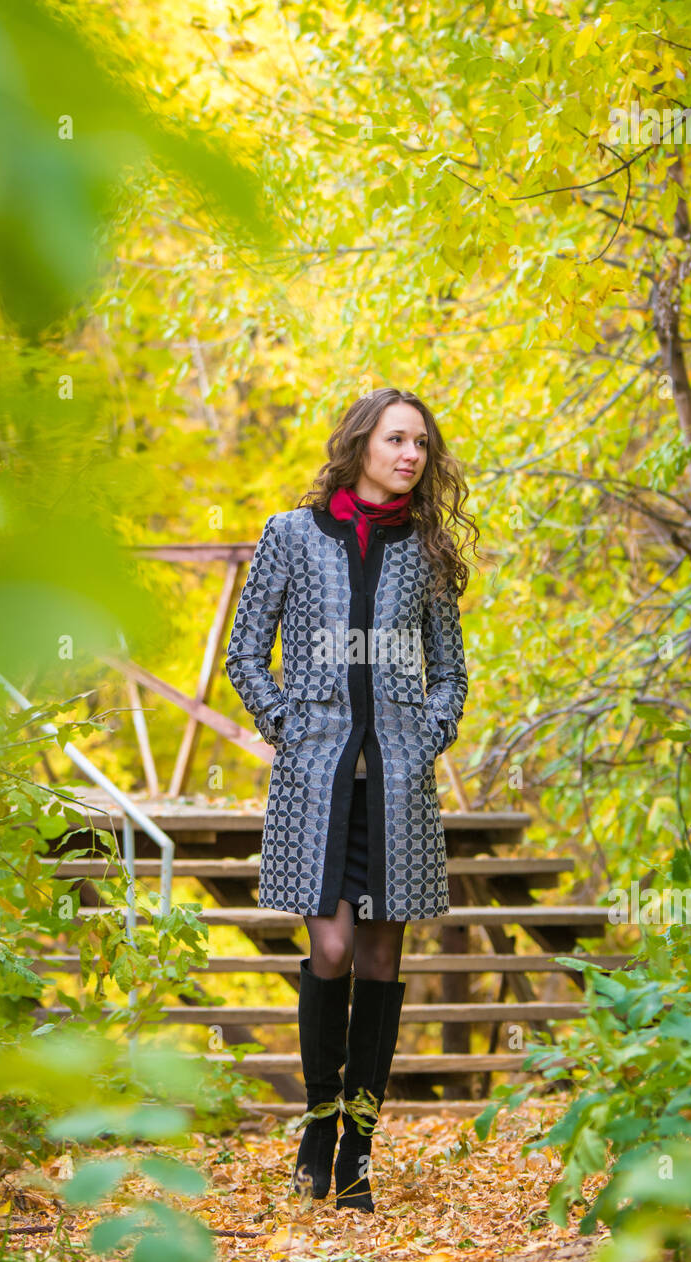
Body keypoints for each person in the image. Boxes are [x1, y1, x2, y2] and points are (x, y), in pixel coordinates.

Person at [225, 387, 478, 1211]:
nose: (412, 455)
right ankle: (318, 1125)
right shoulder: (291, 537)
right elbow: (244, 654)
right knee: (329, 951)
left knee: (380, 960)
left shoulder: (427, 551)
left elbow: (452, 672)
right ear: (362, 442)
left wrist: (425, 734)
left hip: (397, 790)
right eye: (398, 439)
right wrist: (285, 723)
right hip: (315, 780)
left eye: (422, 446)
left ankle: (360, 1150)